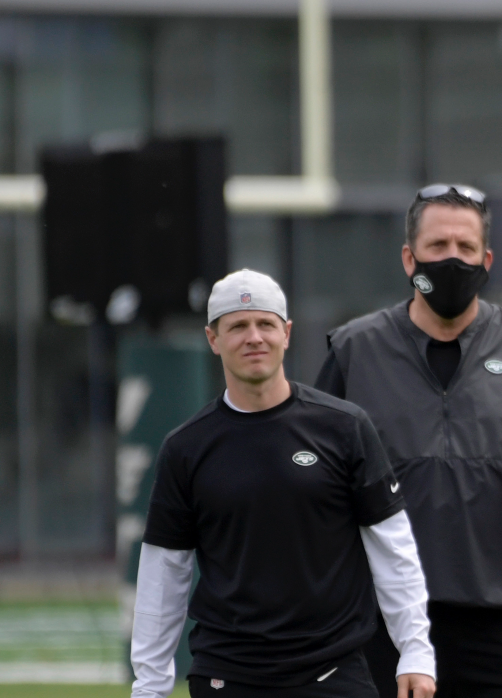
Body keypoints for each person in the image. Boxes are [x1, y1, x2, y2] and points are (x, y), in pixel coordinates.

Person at [314, 185, 502, 698]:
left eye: (465, 248)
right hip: (388, 624)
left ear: (486, 259)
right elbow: (316, 489)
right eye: (437, 246)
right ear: (410, 258)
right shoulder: (355, 350)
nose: (452, 258)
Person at [129, 269, 436, 698]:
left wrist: (416, 652)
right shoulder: (185, 448)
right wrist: (149, 686)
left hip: (333, 674)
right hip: (228, 676)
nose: (254, 337)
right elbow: (164, 573)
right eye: (237, 326)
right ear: (213, 339)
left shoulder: (345, 427)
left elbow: (393, 548)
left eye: (265, 324)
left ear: (286, 333)